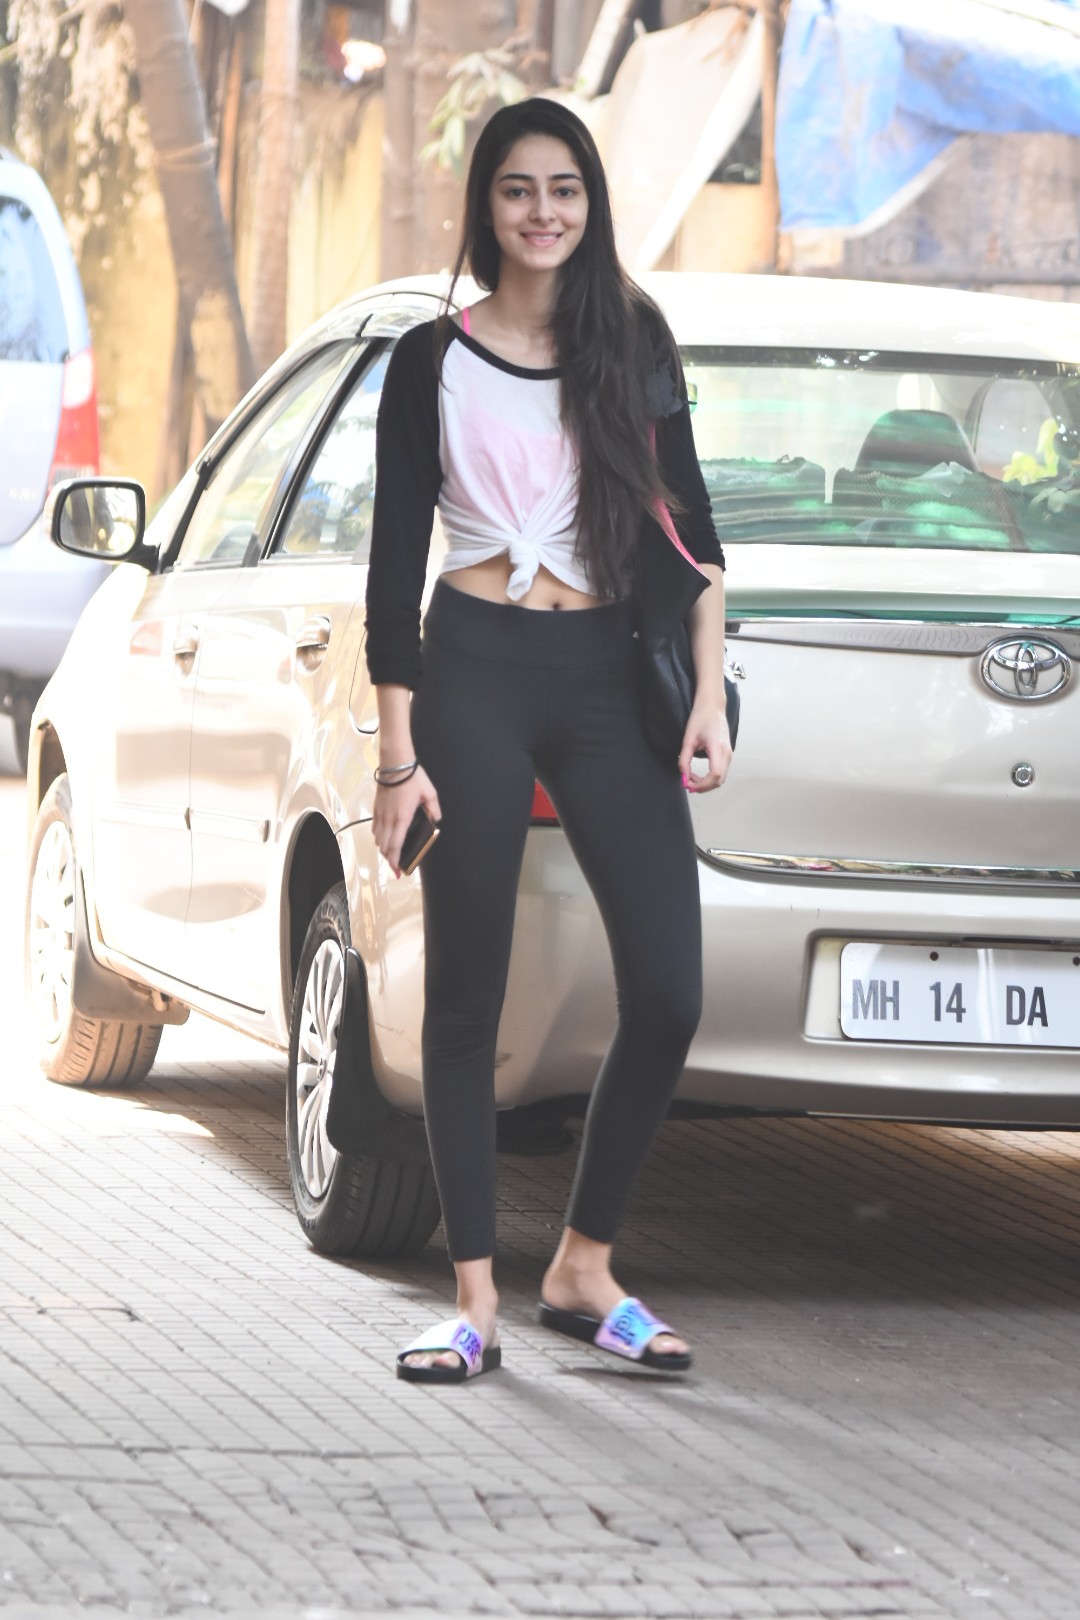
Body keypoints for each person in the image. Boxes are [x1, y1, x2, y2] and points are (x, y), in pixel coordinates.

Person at [365, 97, 731, 1384]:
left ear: (591, 202)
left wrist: (708, 695)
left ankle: (583, 1266)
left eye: (564, 188)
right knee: (468, 993)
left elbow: (695, 535)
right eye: (518, 189)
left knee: (671, 991)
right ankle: (473, 1301)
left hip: (605, 679)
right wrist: (397, 756)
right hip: (472, 672)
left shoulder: (631, 340)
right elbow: (392, 564)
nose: (543, 212)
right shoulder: (430, 360)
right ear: (487, 205)